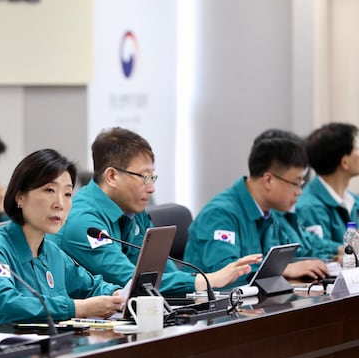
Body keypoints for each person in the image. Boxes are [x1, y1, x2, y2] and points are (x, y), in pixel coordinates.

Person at [51, 127, 261, 297]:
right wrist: (207, 280)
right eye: (144, 177)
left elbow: (158, 268)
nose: (151, 188)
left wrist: (196, 288)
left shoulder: (134, 211)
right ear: (112, 177)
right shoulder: (84, 222)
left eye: (152, 177)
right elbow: (130, 280)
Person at [0, 149, 124, 332]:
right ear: (20, 197)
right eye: (49, 190)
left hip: (43, 345)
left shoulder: (52, 252)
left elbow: (90, 286)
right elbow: (3, 304)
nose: (60, 204)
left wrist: (117, 294)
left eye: (67, 194)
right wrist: (77, 308)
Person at [184, 129, 329, 288]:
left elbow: (295, 256)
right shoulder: (220, 214)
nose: (299, 191)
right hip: (214, 302)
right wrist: (284, 270)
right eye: (296, 183)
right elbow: (224, 272)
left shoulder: (270, 214)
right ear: (268, 180)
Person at [295, 122, 359, 256]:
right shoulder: (309, 207)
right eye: (356, 148)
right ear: (344, 162)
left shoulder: (354, 200)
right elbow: (321, 258)